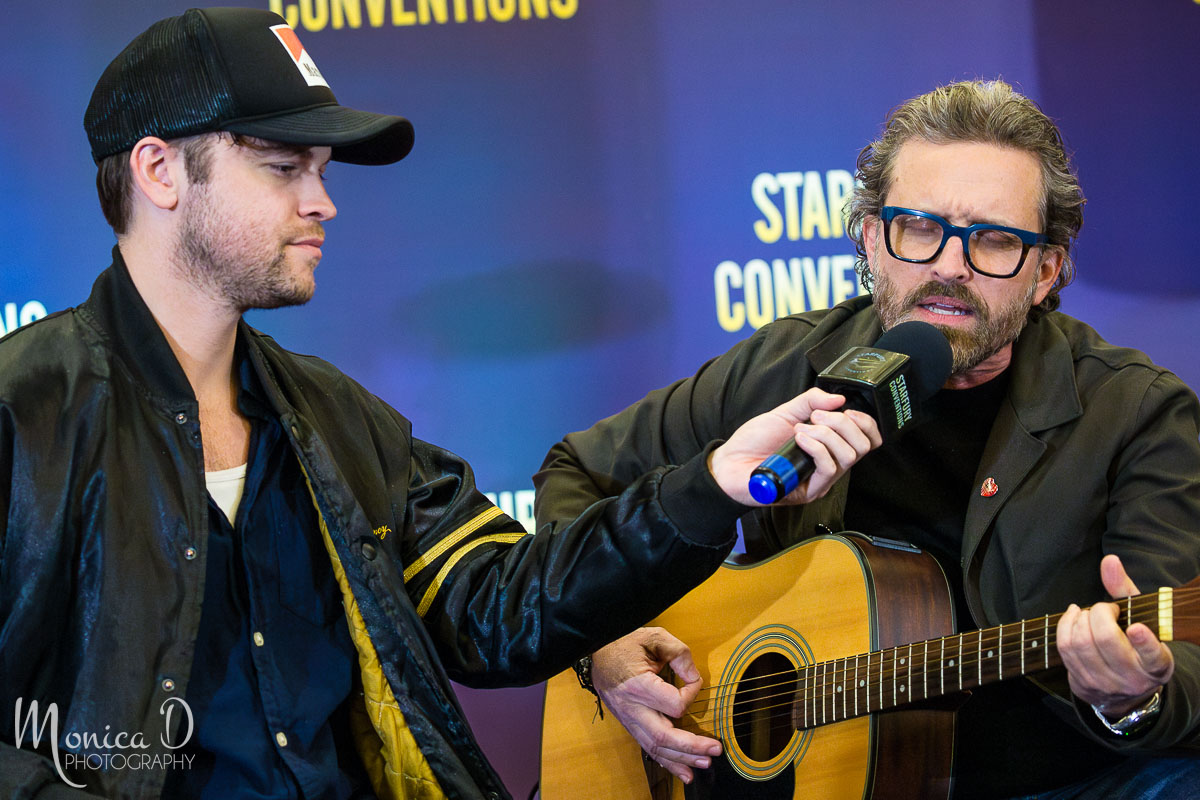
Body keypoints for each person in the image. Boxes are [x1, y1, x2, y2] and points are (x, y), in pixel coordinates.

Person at [0, 8, 886, 799]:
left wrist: (713, 486)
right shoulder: (22, 412)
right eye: (282, 168)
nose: (323, 202)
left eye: (321, 169)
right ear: (159, 171)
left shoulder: (335, 419)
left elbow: (501, 606)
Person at [534, 80, 1200, 798]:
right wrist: (602, 642)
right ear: (872, 240)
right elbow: (578, 472)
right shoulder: (788, 367)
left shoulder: (1136, 413)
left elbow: (1181, 661)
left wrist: (1132, 699)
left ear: (1046, 272)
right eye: (919, 227)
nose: (950, 265)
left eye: (996, 241)